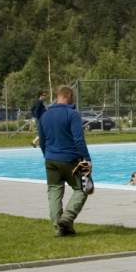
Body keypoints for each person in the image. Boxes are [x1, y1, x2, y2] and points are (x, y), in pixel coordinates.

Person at [34, 85, 91, 236]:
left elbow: (43, 140)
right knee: (84, 188)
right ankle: (67, 217)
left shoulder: (44, 116)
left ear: (57, 97)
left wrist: (48, 155)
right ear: (69, 96)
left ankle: (60, 228)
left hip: (51, 159)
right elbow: (79, 139)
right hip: (71, 159)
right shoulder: (72, 114)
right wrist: (87, 159)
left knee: (54, 192)